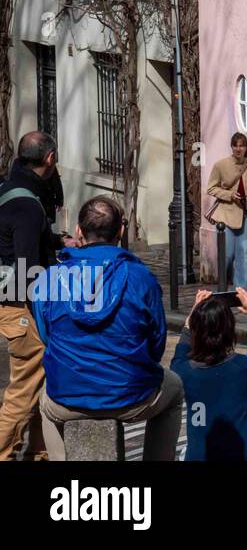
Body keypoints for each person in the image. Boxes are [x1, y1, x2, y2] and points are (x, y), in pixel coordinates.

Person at [35, 196, 183, 461]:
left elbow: (47, 337)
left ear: (79, 231)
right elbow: (156, 343)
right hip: (131, 394)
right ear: (121, 231)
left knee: (46, 403)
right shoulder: (141, 277)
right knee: (174, 389)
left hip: (67, 395)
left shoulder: (50, 278)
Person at [0, 132, 60, 461]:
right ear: (49, 158)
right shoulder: (28, 204)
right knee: (23, 389)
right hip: (19, 304)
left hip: (12, 299)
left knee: (39, 382)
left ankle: (39, 452)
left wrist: (60, 244)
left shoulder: (12, 189)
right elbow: (26, 264)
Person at [170, 287, 247, 461]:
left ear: (196, 333)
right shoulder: (246, 366)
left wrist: (191, 319)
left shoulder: (183, 371)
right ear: (230, 331)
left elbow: (179, 355)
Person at [206, 133, 247, 289]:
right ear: (231, 147)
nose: (238, 149)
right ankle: (223, 287)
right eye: (235, 145)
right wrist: (229, 195)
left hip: (246, 215)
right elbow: (211, 188)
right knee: (227, 255)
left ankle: (240, 292)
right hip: (226, 217)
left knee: (243, 255)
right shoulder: (220, 165)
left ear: (246, 147)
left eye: (242, 145)